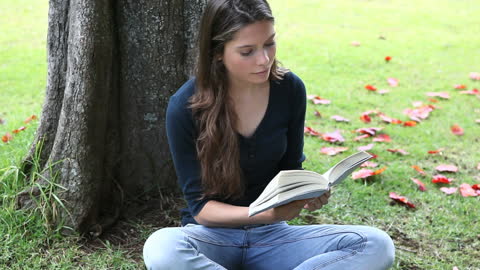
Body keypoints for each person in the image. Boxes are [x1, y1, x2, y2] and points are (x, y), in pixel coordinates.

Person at [143, 0, 395, 269]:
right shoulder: (185, 106)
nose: (264, 59)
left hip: (274, 237)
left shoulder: (290, 89)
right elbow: (201, 209)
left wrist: (307, 195)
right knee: (161, 247)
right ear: (218, 53)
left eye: (269, 43)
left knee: (376, 244)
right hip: (211, 238)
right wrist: (266, 214)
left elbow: (290, 172)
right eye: (247, 51)